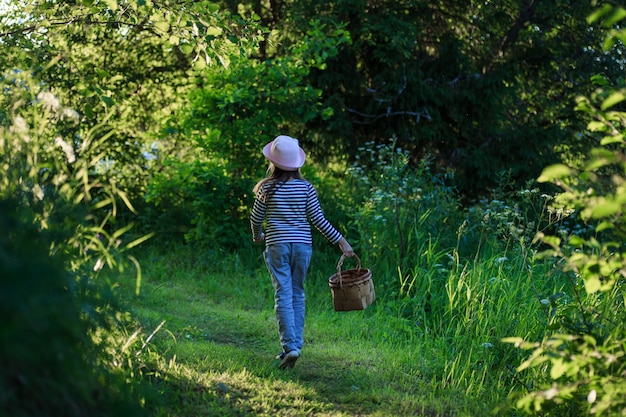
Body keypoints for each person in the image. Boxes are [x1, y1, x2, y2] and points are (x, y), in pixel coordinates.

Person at [250, 135, 354, 370]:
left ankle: (290, 347)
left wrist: (257, 235)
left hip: (277, 245)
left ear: (273, 163)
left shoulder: (266, 187)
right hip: (302, 247)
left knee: (283, 294)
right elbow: (318, 220)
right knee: (297, 292)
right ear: (297, 163)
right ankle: (295, 344)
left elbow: (256, 218)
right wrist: (342, 242)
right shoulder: (306, 188)